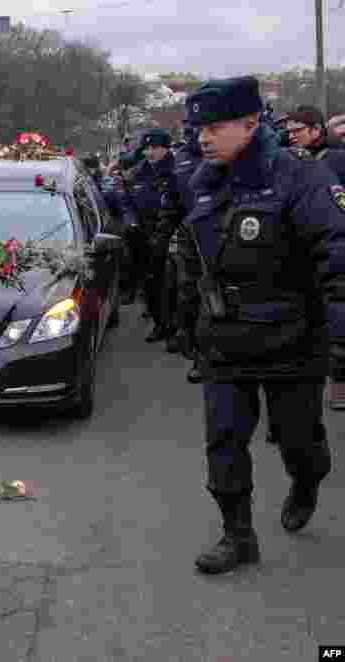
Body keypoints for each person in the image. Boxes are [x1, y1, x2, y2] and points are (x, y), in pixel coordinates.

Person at [181, 77, 345, 574]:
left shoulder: (298, 176)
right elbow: (192, 256)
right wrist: (191, 322)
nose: (203, 138)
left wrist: (340, 340)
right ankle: (238, 536)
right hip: (225, 343)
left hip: (291, 339)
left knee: (299, 439)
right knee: (224, 440)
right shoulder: (204, 182)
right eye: (197, 128)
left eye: (214, 127)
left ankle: (307, 479)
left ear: (252, 123)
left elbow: (337, 257)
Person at [284, 105, 345, 410]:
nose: (291, 136)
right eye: (289, 131)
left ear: (317, 130)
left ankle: (338, 381)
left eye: (298, 131)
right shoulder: (291, 161)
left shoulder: (336, 159)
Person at [120, 128, 186, 341]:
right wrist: (130, 220)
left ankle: (178, 329)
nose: (149, 153)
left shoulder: (179, 170)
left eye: (154, 148)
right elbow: (125, 201)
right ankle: (160, 324)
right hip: (144, 235)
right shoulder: (136, 173)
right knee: (151, 283)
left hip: (172, 235)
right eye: (146, 148)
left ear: (166, 148)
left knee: (174, 285)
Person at [171, 121, 205, 384]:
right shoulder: (181, 158)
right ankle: (192, 342)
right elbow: (173, 199)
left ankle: (204, 359)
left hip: (225, 232)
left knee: (215, 297)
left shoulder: (231, 154)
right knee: (189, 293)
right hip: (189, 234)